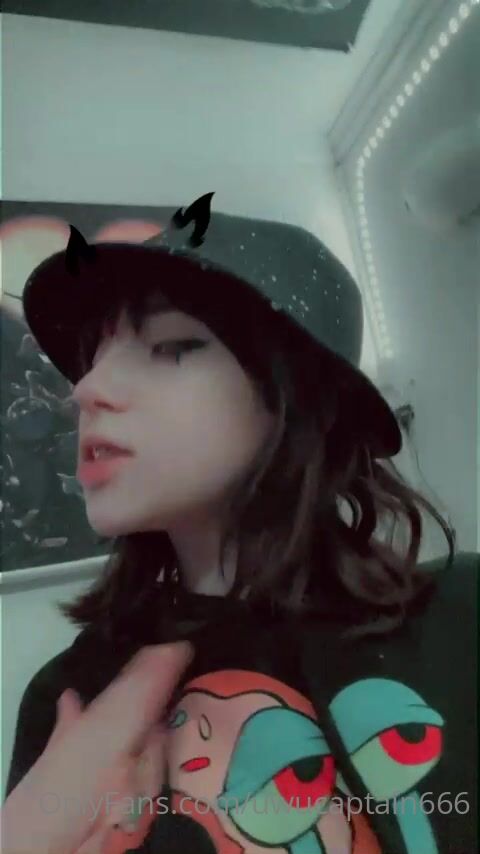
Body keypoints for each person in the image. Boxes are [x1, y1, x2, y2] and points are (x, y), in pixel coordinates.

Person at [2, 194, 477, 854]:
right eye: (93, 356)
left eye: (170, 347)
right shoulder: (71, 700)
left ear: (301, 394)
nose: (83, 390)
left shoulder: (463, 617)